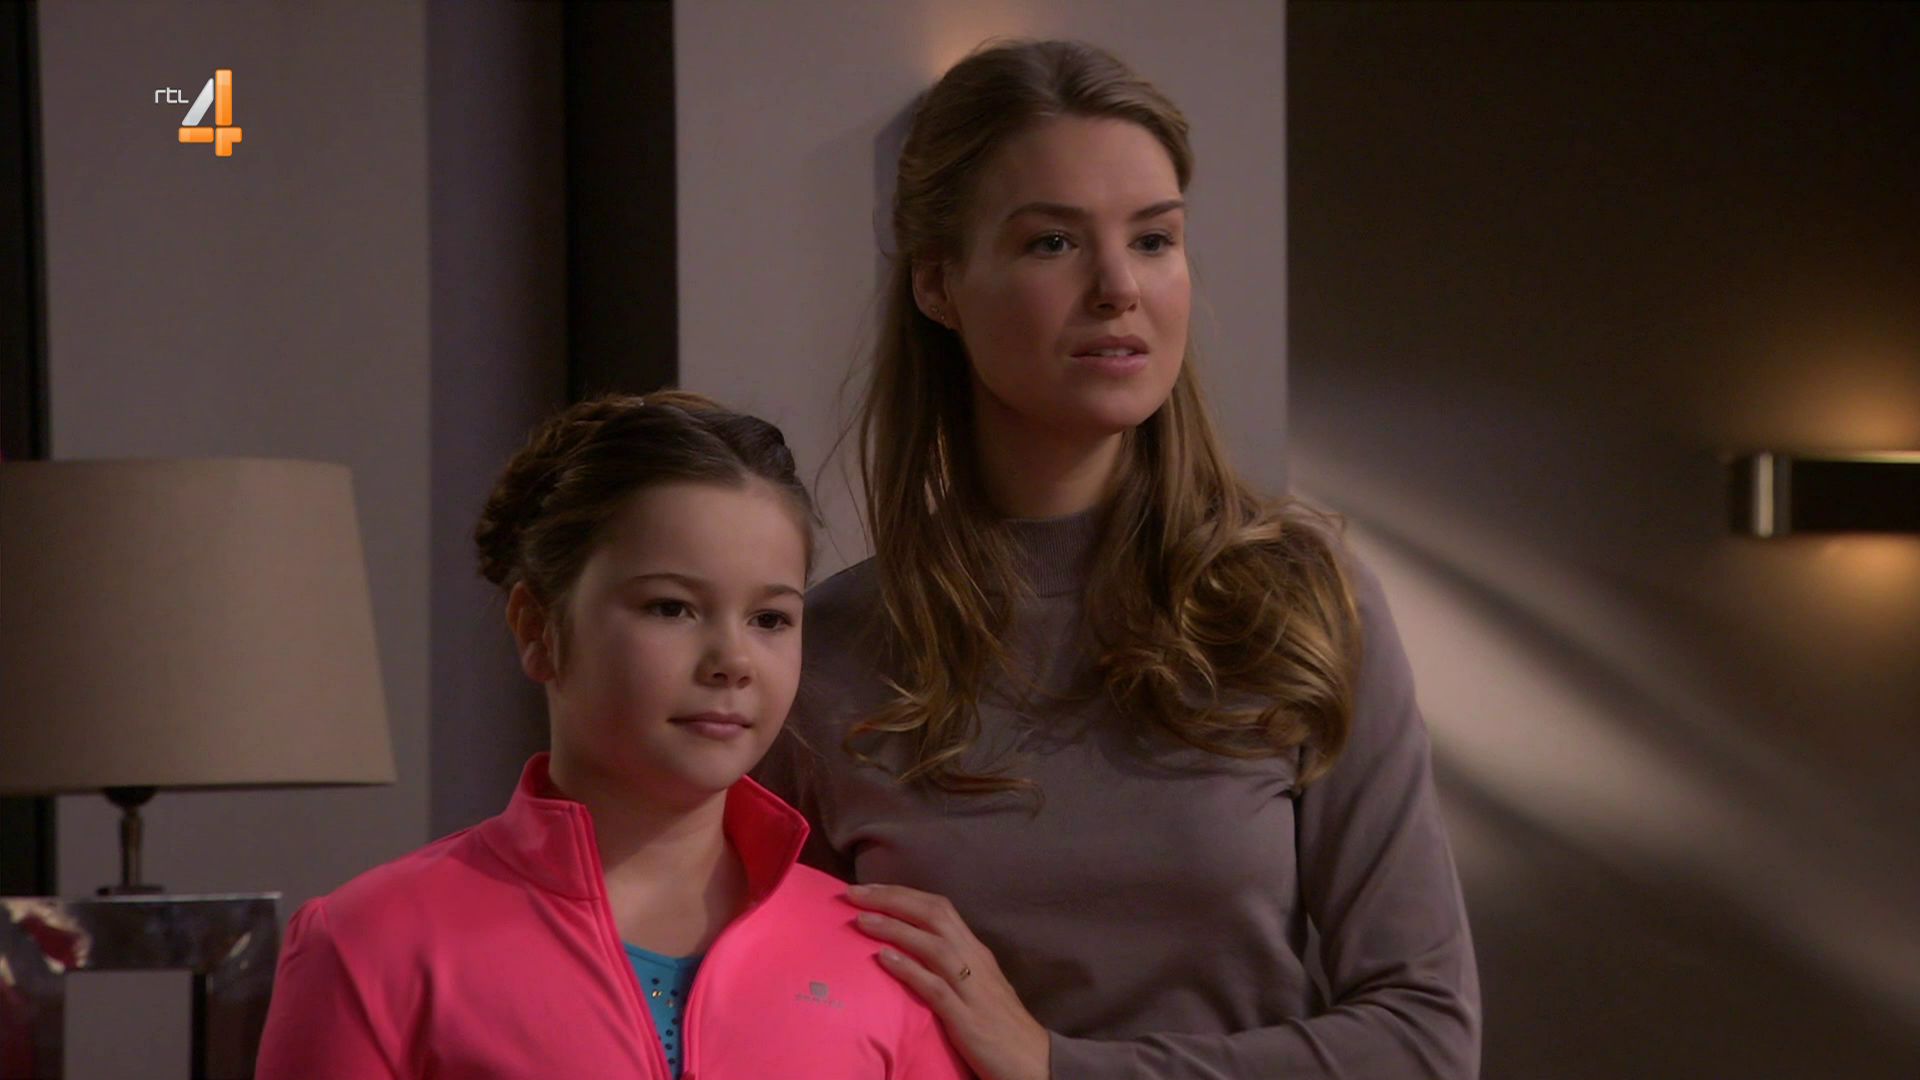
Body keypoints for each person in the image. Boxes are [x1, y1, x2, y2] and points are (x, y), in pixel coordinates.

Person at [755, 40, 1480, 1080]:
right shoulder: (823, 656)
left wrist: (1057, 1067)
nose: (1117, 288)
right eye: (1052, 242)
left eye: (1152, 239)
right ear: (939, 283)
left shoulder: (1303, 601)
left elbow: (1425, 1040)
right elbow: (777, 1033)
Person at [256, 392, 970, 1079]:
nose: (734, 661)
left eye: (770, 619)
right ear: (538, 629)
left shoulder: (879, 959)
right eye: (671, 607)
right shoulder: (370, 944)